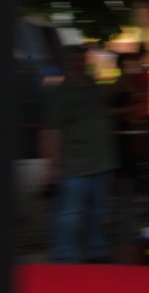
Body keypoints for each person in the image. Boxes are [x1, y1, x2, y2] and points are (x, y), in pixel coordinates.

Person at [39, 45, 119, 263]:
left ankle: (96, 252)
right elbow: (51, 131)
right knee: (69, 215)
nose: (78, 63)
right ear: (67, 63)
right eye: (74, 60)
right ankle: (65, 257)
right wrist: (53, 166)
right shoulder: (62, 94)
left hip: (100, 164)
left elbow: (109, 100)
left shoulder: (93, 86)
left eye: (81, 59)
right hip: (74, 166)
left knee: (97, 212)